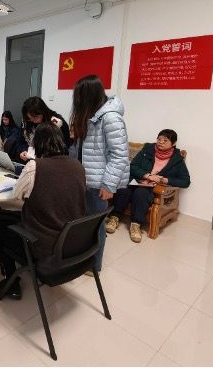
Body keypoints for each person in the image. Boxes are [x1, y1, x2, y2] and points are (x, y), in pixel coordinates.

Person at [0, 123, 86, 299]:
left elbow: (17, 194)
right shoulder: (77, 165)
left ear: (37, 144)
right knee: (4, 217)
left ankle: (11, 282)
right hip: (73, 241)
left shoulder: (36, 166)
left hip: (46, 245)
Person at [69, 75, 129, 275]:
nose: (77, 101)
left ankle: (94, 265)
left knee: (96, 225)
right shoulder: (92, 115)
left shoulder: (110, 118)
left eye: (79, 96)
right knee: (84, 222)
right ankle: (82, 258)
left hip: (99, 183)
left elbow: (119, 156)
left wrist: (109, 185)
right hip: (84, 179)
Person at [108, 129, 190, 243]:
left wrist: (165, 180)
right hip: (137, 180)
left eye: (165, 140)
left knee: (140, 193)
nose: (161, 142)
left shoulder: (177, 159)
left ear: (173, 143)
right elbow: (133, 166)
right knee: (123, 188)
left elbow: (185, 181)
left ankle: (136, 224)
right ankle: (114, 217)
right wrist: (147, 175)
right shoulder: (147, 150)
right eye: (159, 139)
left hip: (152, 188)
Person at [15, 97, 71, 163]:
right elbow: (20, 140)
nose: (33, 121)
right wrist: (23, 151)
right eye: (30, 118)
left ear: (43, 112)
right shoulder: (27, 121)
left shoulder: (56, 122)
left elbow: (65, 146)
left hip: (52, 162)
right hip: (29, 161)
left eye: (36, 117)